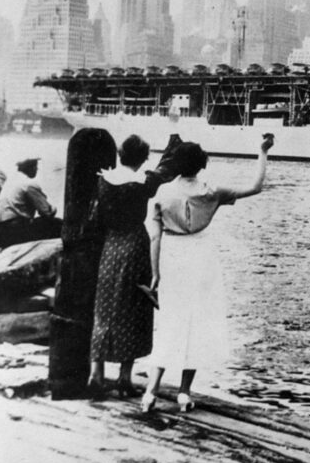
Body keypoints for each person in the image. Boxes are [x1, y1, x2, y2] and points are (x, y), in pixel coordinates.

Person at [140, 134, 274, 414]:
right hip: (202, 256)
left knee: (170, 322)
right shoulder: (211, 191)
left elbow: (155, 237)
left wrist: (154, 273)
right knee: (197, 323)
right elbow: (255, 187)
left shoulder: (162, 193)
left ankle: (151, 391)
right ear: (201, 165)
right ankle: (184, 392)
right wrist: (262, 152)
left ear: (175, 164)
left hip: (172, 256)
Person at [87, 135, 163, 399]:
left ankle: (96, 373)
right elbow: (157, 177)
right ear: (142, 158)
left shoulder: (104, 179)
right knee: (132, 308)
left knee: (104, 307)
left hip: (110, 245)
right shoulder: (142, 183)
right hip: (134, 244)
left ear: (120, 155)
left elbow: (96, 217)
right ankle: (124, 377)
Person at [0, 157, 62, 248]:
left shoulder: (11, 180)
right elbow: (47, 212)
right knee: (57, 224)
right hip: (12, 231)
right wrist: (53, 208)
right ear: (31, 167)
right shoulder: (28, 184)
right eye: (35, 166)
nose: (36, 169)